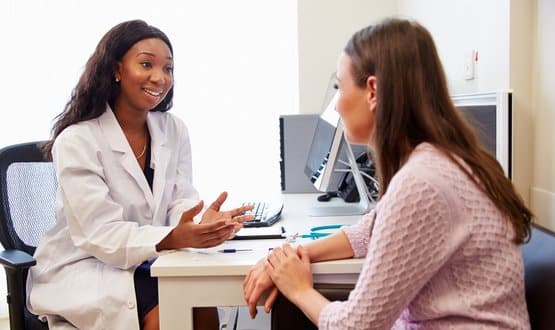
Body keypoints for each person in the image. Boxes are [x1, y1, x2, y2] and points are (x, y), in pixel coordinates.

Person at [243, 18, 533, 329]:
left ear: (372, 91)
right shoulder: (443, 161)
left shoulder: (422, 181)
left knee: (291, 309)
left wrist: (298, 288)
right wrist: (293, 255)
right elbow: (372, 230)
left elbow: (356, 326)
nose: (337, 106)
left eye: (340, 87)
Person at [27, 20, 251, 330]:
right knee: (167, 315)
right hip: (88, 266)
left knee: (202, 308)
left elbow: (180, 199)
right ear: (116, 69)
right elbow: (99, 233)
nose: (159, 78)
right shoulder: (77, 140)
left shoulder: (173, 129)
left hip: (149, 261)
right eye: (146, 64)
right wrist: (172, 237)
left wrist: (199, 224)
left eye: (168, 69)